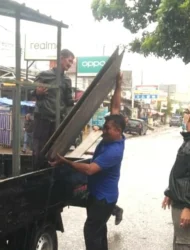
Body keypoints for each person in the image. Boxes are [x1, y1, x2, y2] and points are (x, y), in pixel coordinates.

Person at [49, 72, 126, 250]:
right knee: (99, 229)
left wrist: (66, 162)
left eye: (107, 129)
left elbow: (90, 169)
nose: (103, 131)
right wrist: (118, 85)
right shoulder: (115, 136)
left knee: (91, 230)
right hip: (99, 195)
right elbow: (115, 107)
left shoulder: (114, 150)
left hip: (104, 199)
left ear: (117, 130)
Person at [31, 49, 75, 170]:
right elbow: (31, 92)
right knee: (39, 149)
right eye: (69, 61)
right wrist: (37, 92)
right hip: (42, 119)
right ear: (61, 58)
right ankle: (36, 174)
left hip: (57, 121)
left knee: (55, 150)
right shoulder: (44, 75)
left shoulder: (67, 80)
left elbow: (68, 102)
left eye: (72, 62)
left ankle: (50, 174)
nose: (70, 64)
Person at [162, 115, 190, 250]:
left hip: (185, 204)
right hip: (180, 201)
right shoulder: (188, 141)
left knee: (184, 243)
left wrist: (188, 206)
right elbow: (181, 172)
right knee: (180, 241)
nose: (187, 120)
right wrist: (170, 192)